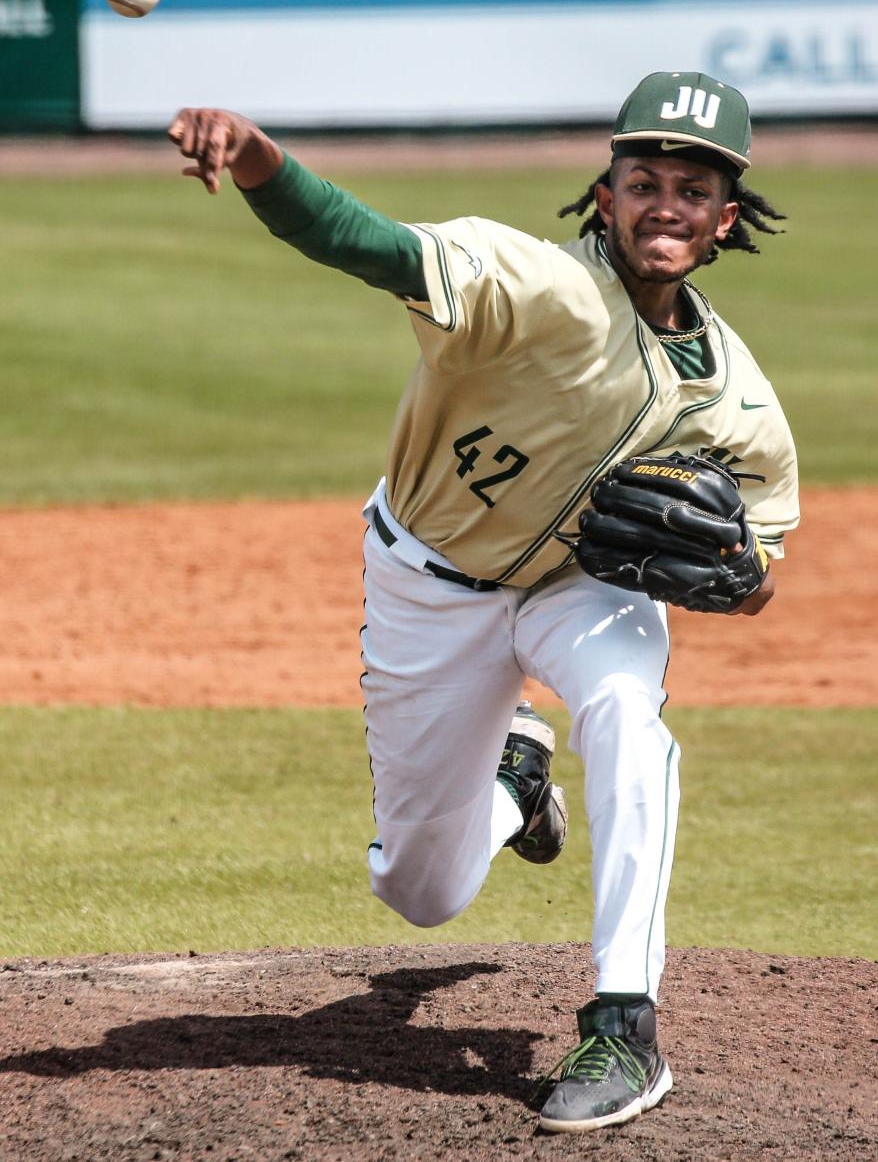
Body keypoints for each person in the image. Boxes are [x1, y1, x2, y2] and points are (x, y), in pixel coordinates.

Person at [168, 71, 799, 1134]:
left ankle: (625, 1024)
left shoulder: (739, 397)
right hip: (428, 584)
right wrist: (258, 155)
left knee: (628, 721)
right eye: (643, 180)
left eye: (692, 189)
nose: (665, 204)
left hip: (577, 587)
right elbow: (369, 245)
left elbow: (762, 560)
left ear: (723, 219)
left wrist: (740, 583)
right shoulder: (534, 282)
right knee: (421, 892)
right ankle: (519, 775)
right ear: (606, 194)